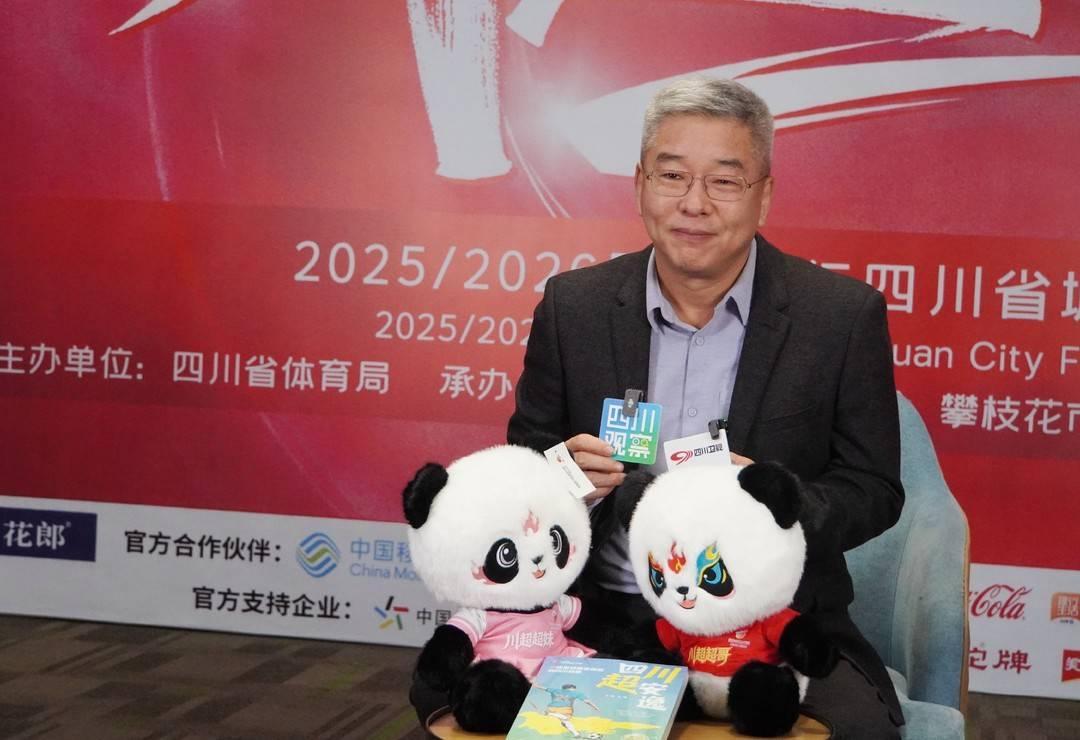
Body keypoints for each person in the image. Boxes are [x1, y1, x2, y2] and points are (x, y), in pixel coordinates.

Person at [507, 77, 905, 737]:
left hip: (772, 623)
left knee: (861, 731)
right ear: (639, 184)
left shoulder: (838, 317)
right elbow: (523, 467)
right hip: (607, 615)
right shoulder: (574, 307)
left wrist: (779, 502)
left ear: (763, 194)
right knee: (472, 705)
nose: (694, 204)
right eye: (672, 176)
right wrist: (566, 480)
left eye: (724, 181)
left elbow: (875, 489)